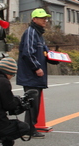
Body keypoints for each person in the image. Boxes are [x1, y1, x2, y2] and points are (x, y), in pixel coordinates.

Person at [16, 8, 58, 139]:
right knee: (31, 102)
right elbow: (27, 53)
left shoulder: (39, 34)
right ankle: (28, 129)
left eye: (46, 18)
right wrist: (36, 68)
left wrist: (55, 59)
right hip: (31, 75)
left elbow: (45, 53)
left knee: (35, 103)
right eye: (42, 18)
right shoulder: (31, 32)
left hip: (36, 76)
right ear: (34, 19)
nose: (45, 20)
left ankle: (30, 128)